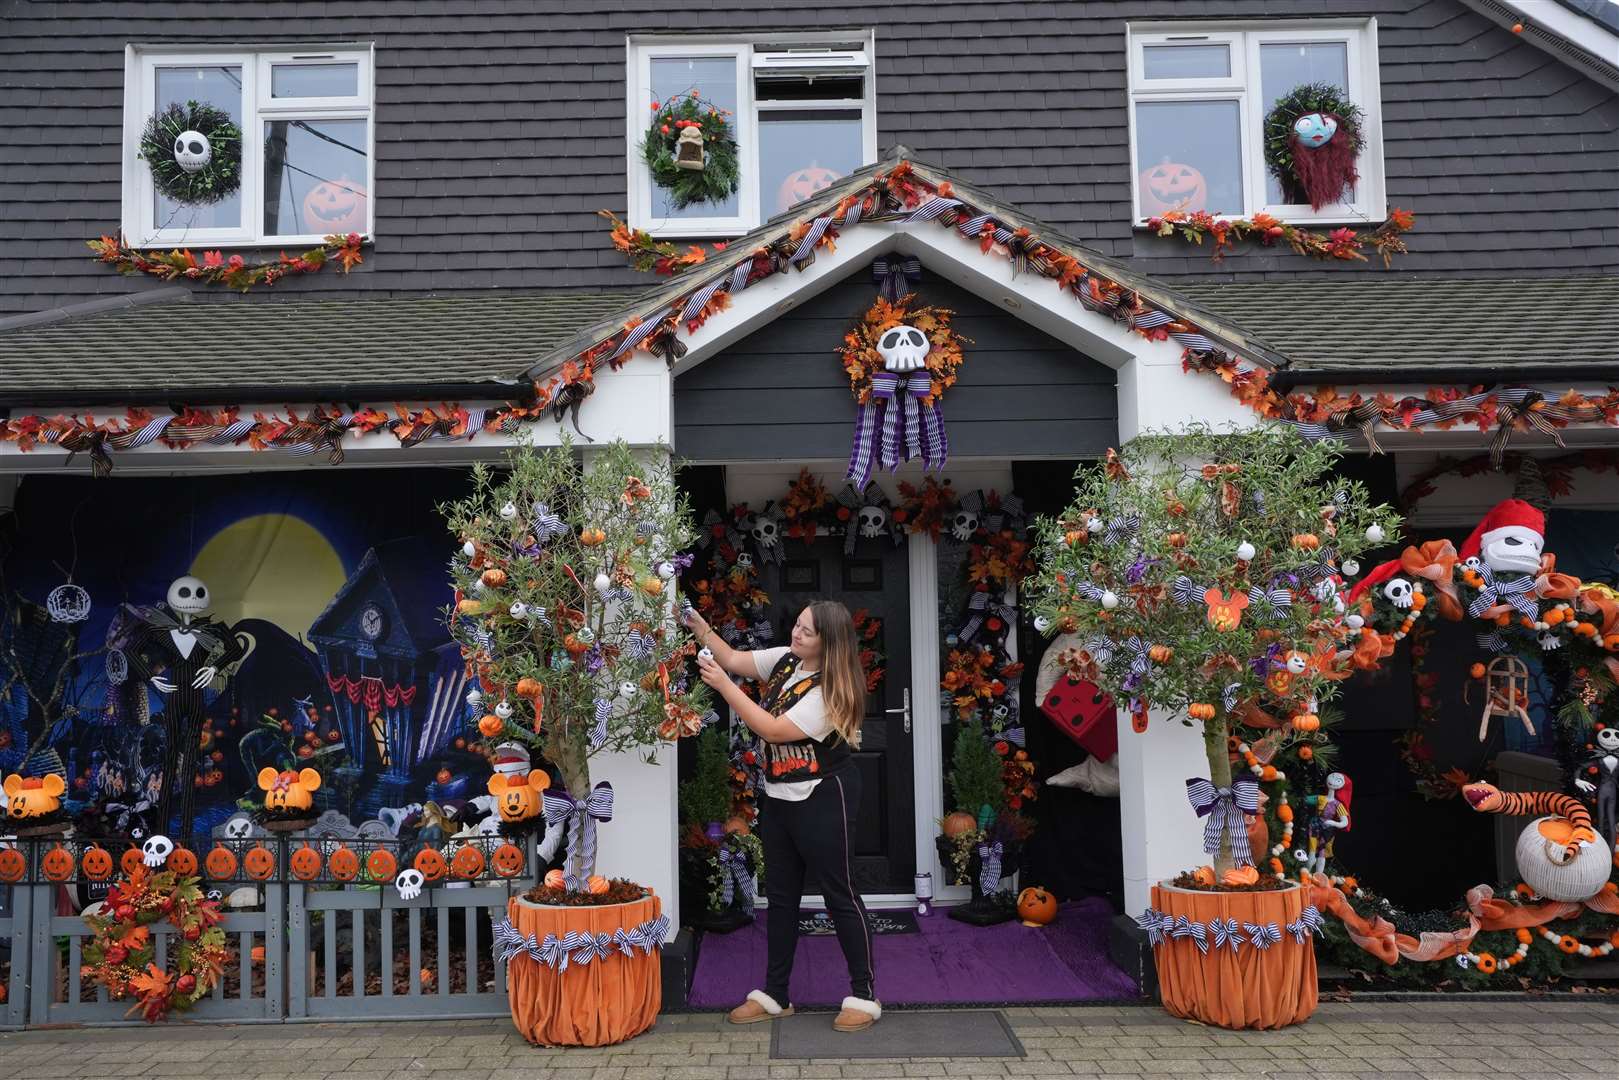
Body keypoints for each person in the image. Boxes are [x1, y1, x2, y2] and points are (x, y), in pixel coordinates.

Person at [689, 599, 881, 1032]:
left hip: (824, 795)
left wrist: (724, 686)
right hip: (779, 795)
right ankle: (776, 994)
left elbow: (772, 729)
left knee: (840, 894)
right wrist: (702, 628)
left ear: (828, 642)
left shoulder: (831, 689)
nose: (796, 634)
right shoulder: (785, 660)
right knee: (780, 897)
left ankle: (864, 996)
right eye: (797, 625)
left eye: (807, 631)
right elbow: (736, 658)